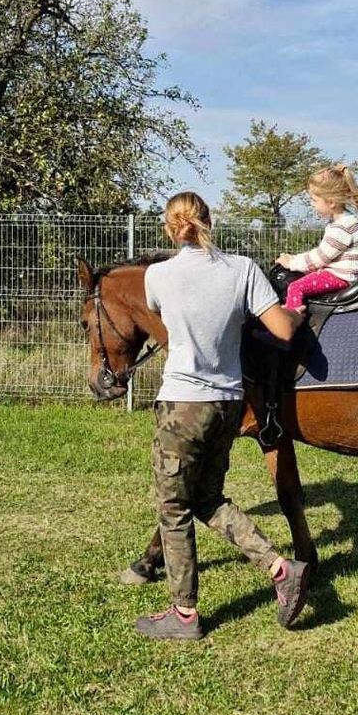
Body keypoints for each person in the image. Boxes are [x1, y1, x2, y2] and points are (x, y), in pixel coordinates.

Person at [135, 191, 309, 640]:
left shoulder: (157, 276)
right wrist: (296, 309)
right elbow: (284, 330)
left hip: (182, 405)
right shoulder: (244, 270)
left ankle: (184, 614)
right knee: (208, 497)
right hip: (229, 404)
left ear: (170, 227)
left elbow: (157, 311)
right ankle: (280, 567)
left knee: (173, 507)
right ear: (210, 220)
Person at [276, 163, 358, 313]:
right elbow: (321, 253)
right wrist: (295, 258)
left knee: (295, 287)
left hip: (340, 277)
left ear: (331, 202)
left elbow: (320, 258)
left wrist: (292, 263)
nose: (312, 204)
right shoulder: (342, 221)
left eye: (315, 200)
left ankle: (290, 325)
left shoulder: (342, 227)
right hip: (337, 274)